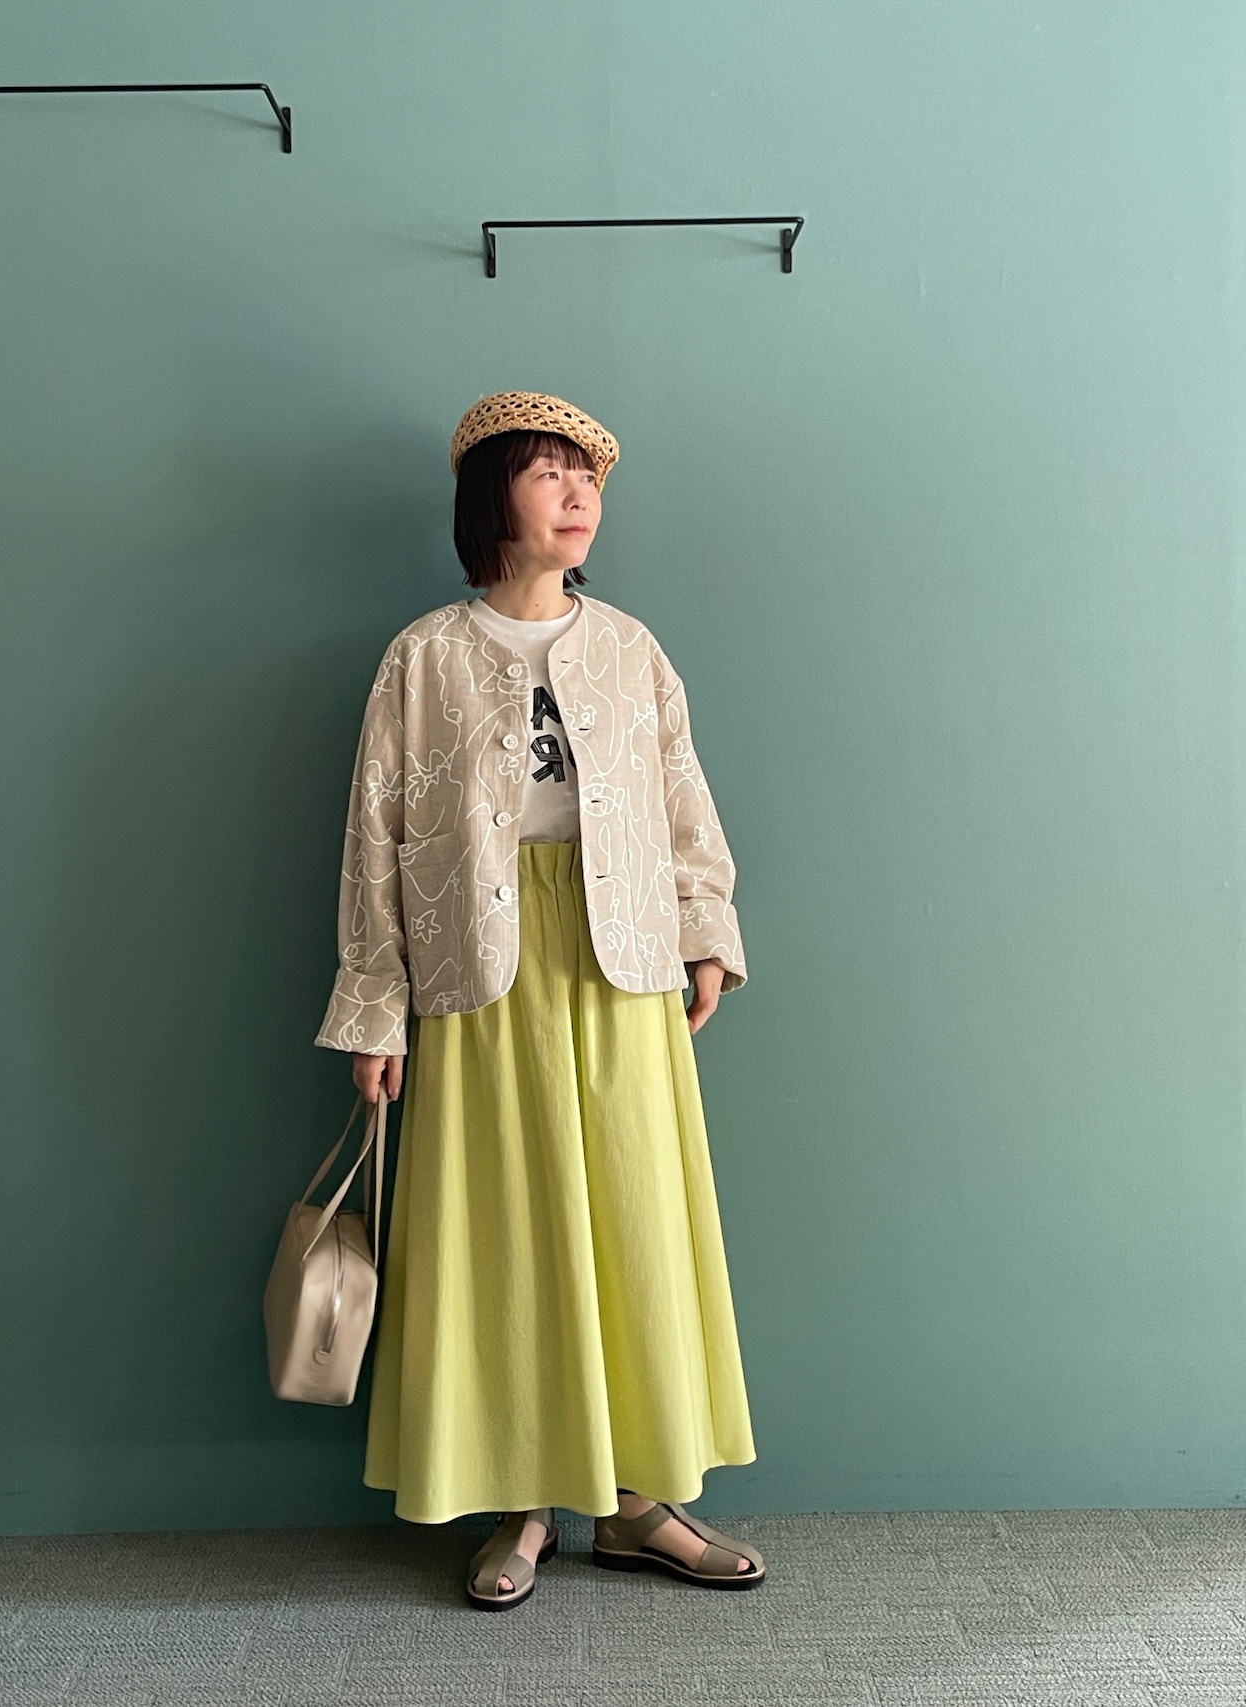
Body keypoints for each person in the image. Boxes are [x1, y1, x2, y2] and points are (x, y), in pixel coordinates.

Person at [314, 390, 765, 1608]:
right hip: (474, 959)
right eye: (548, 474)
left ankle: (632, 1505)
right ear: (489, 498)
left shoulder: (629, 648)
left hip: (621, 949)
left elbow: (680, 797)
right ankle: (523, 1503)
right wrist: (374, 1008)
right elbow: (373, 837)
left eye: (589, 478)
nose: (578, 497)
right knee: (507, 1230)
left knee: (630, 1217)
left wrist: (703, 933)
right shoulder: (422, 656)